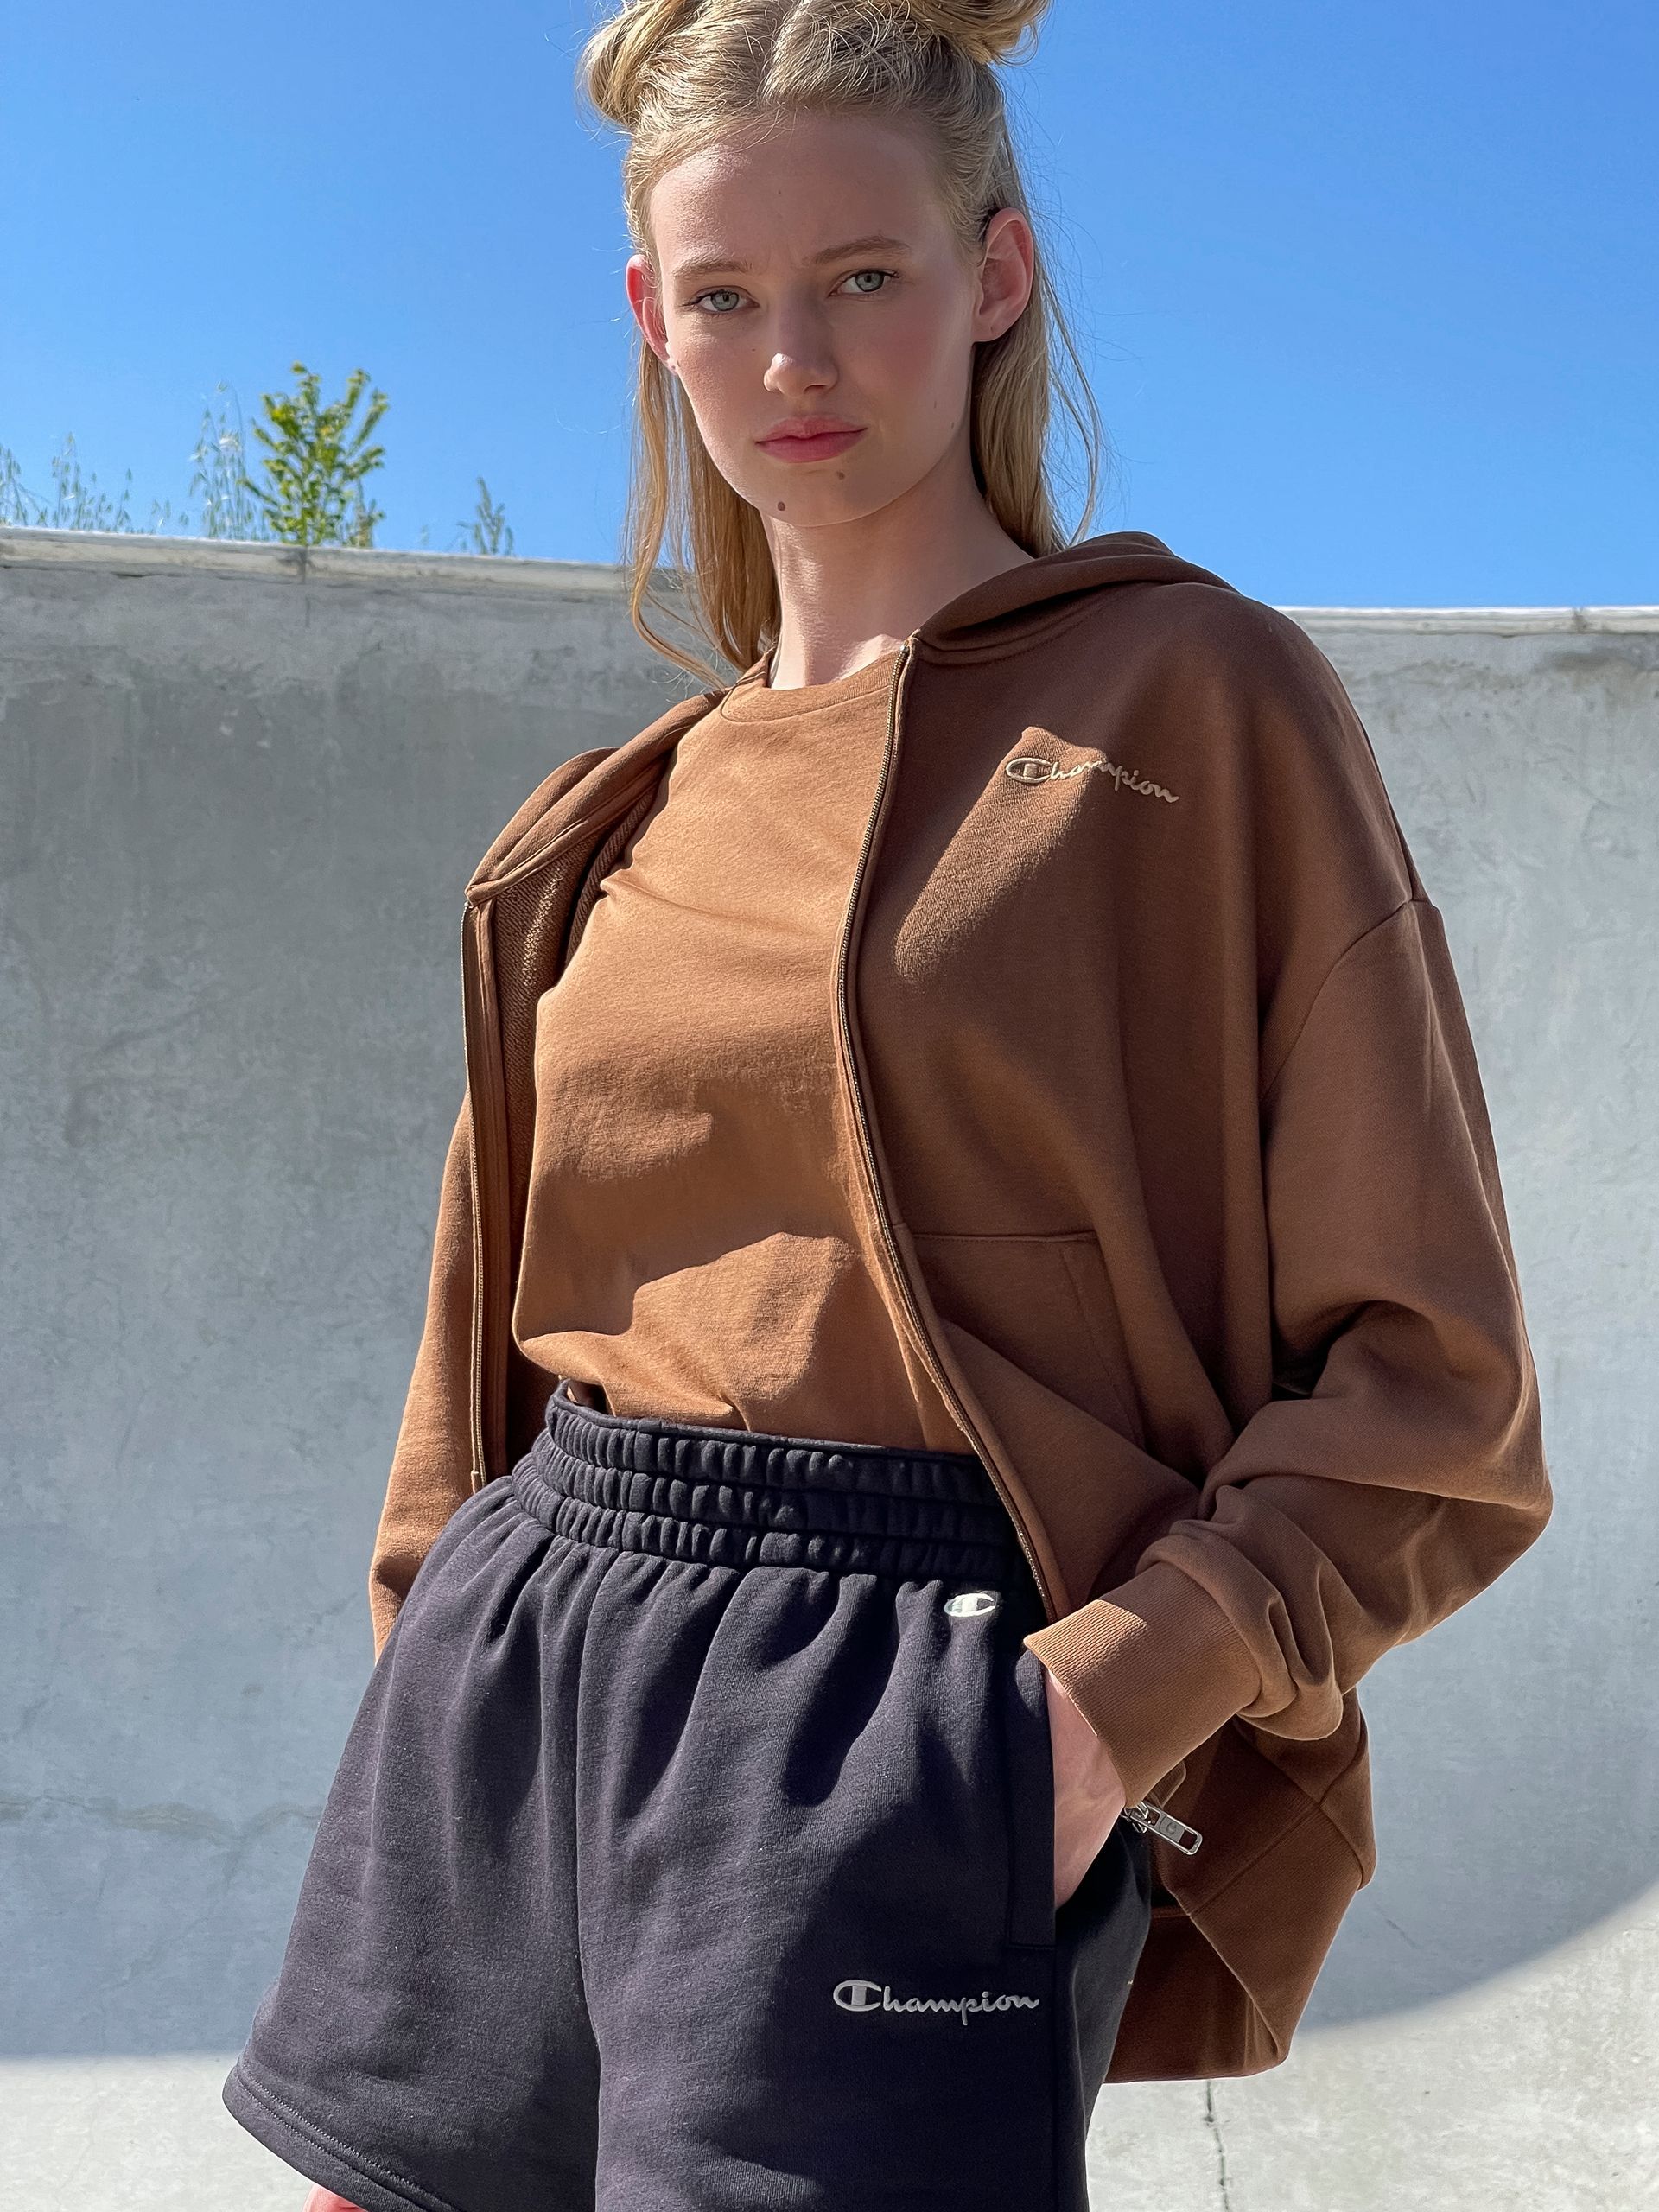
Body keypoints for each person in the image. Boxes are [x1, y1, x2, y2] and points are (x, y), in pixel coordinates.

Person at [222, 2, 1553, 2206]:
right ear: (651, 318)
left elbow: (1443, 1388)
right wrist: (421, 1693)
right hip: (522, 1659)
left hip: (899, 1694)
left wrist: (1104, 1704)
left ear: (996, 277)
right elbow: (487, 1347)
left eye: (865, 278)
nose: (791, 362)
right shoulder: (607, 820)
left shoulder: (1193, 704)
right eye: (726, 299)